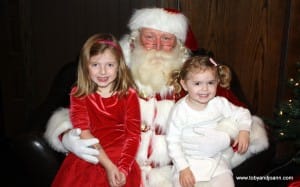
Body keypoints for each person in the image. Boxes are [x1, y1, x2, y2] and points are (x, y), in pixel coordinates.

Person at [44, 7, 268, 187]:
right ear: (135, 39)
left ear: (178, 44)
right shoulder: (112, 71)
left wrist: (222, 140)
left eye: (167, 39)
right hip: (117, 168)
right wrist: (66, 138)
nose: (158, 46)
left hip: (173, 175)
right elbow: (77, 109)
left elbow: (243, 120)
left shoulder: (195, 78)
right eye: (150, 37)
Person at [51, 33, 141, 187]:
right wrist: (108, 166)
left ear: (119, 66)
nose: (103, 72)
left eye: (110, 65)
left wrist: (123, 169)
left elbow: (133, 136)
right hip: (89, 154)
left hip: (121, 158)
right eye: (95, 65)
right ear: (86, 66)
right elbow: (84, 133)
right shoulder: (79, 94)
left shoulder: (129, 95)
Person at [166, 56, 252, 187]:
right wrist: (183, 168)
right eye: (197, 83)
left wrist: (244, 131)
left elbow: (242, 113)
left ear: (217, 82)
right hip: (188, 162)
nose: (205, 89)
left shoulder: (218, 103)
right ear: (184, 84)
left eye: (210, 83)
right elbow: (172, 141)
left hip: (215, 160)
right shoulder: (179, 110)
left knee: (226, 181)